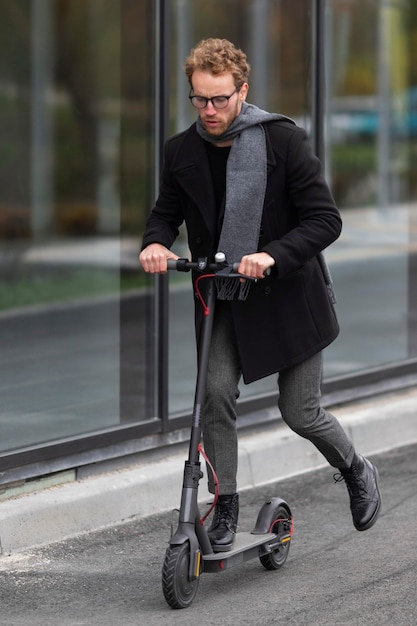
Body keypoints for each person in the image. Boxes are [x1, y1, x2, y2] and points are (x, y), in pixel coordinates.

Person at [139, 38, 381, 551]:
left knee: (300, 411)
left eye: (220, 99)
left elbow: (325, 220)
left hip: (289, 295)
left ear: (242, 91)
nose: (209, 111)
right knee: (215, 392)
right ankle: (225, 505)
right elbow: (166, 213)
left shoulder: (283, 142)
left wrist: (271, 254)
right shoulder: (180, 151)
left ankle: (356, 468)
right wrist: (156, 242)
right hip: (225, 294)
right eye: (199, 99)